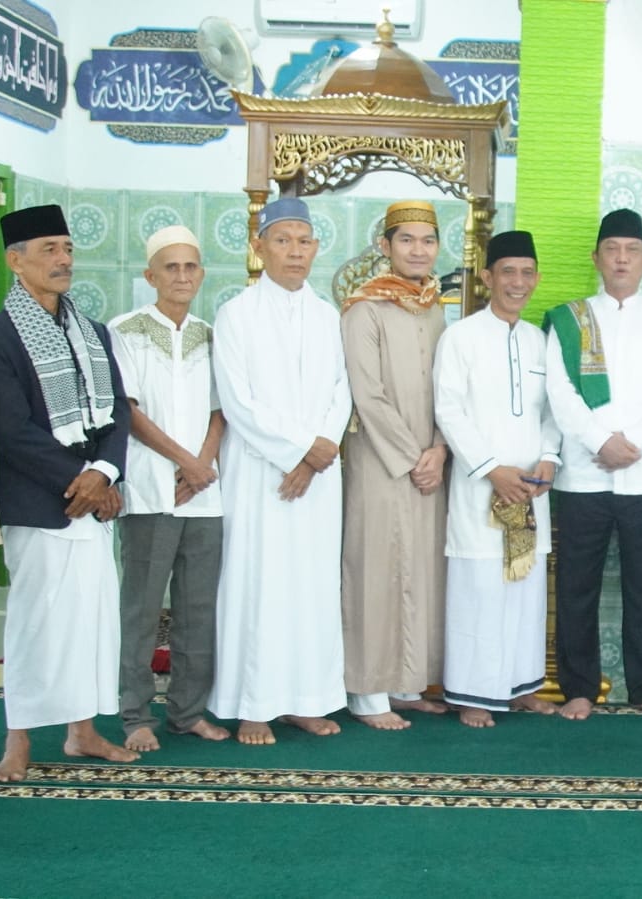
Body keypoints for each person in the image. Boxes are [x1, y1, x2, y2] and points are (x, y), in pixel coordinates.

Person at [0, 204, 137, 779]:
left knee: (90, 619)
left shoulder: (93, 332)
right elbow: (11, 430)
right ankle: (18, 740)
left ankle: (82, 732)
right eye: (49, 250)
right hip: (42, 505)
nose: (63, 259)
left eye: (66, 248)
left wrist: (107, 475)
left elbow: (118, 413)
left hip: (96, 502)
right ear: (16, 262)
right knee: (36, 621)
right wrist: (84, 479)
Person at [210, 197, 352, 745]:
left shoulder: (327, 315)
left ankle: (307, 700)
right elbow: (238, 402)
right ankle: (254, 704)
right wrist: (297, 453)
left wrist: (321, 448)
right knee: (258, 583)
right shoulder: (236, 314)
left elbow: (342, 389)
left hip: (319, 474)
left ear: (316, 248)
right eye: (282, 241)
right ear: (259, 247)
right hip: (260, 474)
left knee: (312, 587)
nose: (295, 252)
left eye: (304, 241)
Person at [545, 209, 642, 721]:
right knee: (576, 588)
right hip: (583, 476)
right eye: (612, 250)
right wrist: (600, 441)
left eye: (631, 250)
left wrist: (638, 444)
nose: (622, 259)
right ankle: (579, 689)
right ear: (597, 258)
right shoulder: (571, 317)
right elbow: (559, 393)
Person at [107, 225, 229, 752]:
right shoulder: (125, 330)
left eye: (190, 267)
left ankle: (188, 712)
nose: (181, 276)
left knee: (198, 611)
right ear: (150, 275)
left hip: (204, 498)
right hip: (151, 492)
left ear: (201, 274)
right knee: (140, 609)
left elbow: (222, 412)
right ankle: (135, 715)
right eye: (170, 267)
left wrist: (202, 466)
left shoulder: (211, 333)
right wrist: (186, 463)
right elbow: (129, 411)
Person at [433, 230, 561, 727]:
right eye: (507, 272)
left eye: (527, 272)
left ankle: (522, 685)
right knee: (480, 588)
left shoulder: (539, 341)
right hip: (480, 487)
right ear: (487, 278)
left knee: (525, 588)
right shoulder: (460, 337)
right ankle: (473, 693)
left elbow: (554, 411)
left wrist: (548, 458)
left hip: (531, 489)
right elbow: (448, 409)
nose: (518, 282)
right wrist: (492, 470)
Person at [340, 199, 450, 728]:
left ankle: (406, 682)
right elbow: (368, 394)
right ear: (385, 247)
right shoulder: (365, 308)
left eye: (427, 240)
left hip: (429, 460)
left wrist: (440, 449)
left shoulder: (435, 307)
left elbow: (447, 390)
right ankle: (367, 689)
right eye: (406, 240)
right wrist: (413, 457)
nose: (418, 250)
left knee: (421, 568)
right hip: (382, 462)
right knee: (376, 569)